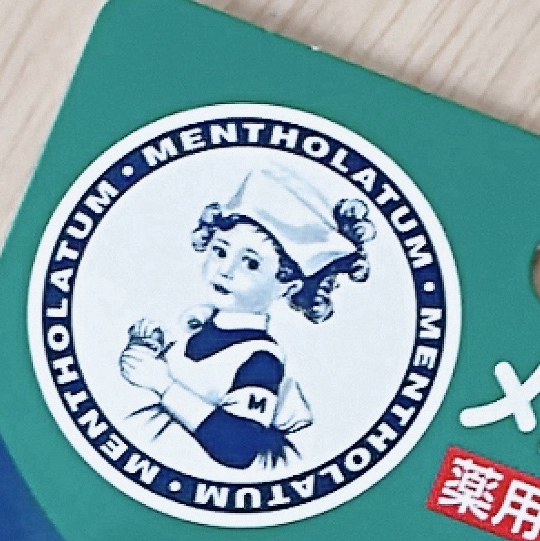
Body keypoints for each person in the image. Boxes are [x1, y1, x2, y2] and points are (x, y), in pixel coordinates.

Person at [119, 166, 374, 469]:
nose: (225, 270)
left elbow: (239, 448)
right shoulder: (199, 328)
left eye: (251, 264)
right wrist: (150, 350)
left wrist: (162, 384)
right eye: (220, 251)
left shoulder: (260, 360)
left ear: (288, 286)